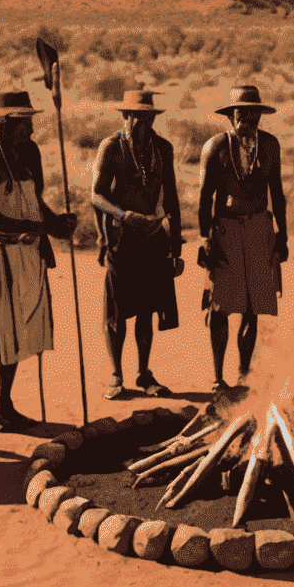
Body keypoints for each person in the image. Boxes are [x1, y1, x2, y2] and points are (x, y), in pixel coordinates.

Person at [0, 90, 74, 433]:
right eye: (23, 122)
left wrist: (56, 223)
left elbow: (35, 201)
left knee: (18, 329)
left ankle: (6, 405)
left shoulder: (29, 152)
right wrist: (37, 227)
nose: (30, 129)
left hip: (28, 254)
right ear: (4, 123)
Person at [92, 88, 184, 399]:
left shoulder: (163, 148)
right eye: (135, 117)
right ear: (125, 117)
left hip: (153, 240)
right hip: (122, 238)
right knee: (117, 312)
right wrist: (123, 215)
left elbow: (171, 196)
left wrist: (176, 247)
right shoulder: (112, 148)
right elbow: (96, 195)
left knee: (146, 311)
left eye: (147, 117)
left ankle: (144, 373)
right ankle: (116, 375)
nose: (141, 123)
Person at [198, 84, 289, 397]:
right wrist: (205, 238)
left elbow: (277, 193)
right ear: (231, 115)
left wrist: (283, 236)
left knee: (253, 307)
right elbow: (204, 199)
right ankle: (217, 376)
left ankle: (244, 373)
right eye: (241, 113)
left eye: (253, 113)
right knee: (221, 306)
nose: (247, 118)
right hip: (225, 231)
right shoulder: (216, 147)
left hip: (260, 229)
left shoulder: (270, 146)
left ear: (260, 117)